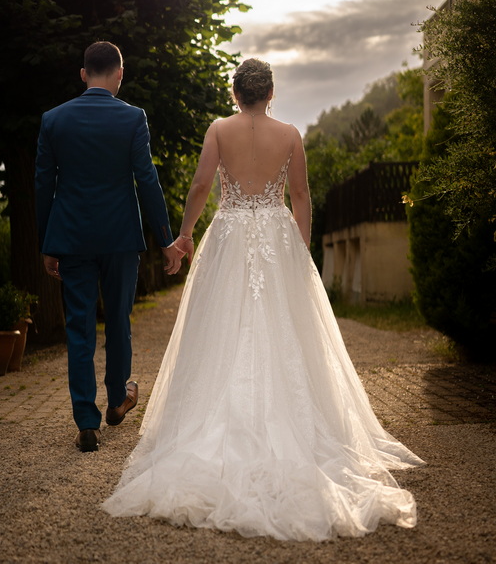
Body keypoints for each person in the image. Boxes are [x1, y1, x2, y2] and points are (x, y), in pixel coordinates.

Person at [102, 58, 423, 541]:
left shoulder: (218, 129)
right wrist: (302, 249)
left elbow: (201, 185)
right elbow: (300, 195)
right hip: (276, 237)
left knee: (218, 330)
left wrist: (185, 234)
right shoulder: (290, 134)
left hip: (230, 235)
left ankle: (211, 422)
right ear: (269, 93)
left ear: (236, 94)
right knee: (286, 330)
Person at [35, 41, 183, 453]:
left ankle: (87, 421)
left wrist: (47, 242)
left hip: (72, 238)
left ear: (84, 74)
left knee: (79, 328)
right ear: (119, 74)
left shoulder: (53, 120)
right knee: (118, 318)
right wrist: (166, 238)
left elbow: (43, 185)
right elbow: (147, 181)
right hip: (120, 237)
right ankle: (118, 399)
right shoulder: (133, 118)